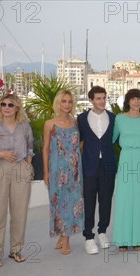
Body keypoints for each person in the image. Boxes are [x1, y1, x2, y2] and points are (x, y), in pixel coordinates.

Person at [0, 94, 34, 267]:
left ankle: (16, 250)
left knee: (20, 212)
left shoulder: (24, 127)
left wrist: (28, 164)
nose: (7, 107)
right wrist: (0, 154)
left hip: (20, 169)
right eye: (3, 104)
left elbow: (31, 146)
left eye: (11, 104)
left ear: (17, 108)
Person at [43, 90, 84, 255]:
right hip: (57, 170)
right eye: (64, 101)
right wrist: (45, 172)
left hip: (74, 170)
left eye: (69, 102)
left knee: (73, 202)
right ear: (58, 103)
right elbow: (45, 149)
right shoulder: (49, 123)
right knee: (59, 202)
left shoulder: (75, 123)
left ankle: (65, 238)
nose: (67, 105)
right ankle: (63, 234)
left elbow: (79, 144)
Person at [112, 89, 140, 252]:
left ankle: (138, 238)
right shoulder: (119, 119)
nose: (136, 102)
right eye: (133, 99)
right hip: (126, 159)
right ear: (127, 101)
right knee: (124, 199)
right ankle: (122, 239)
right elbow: (112, 139)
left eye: (139, 99)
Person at [77, 86, 117, 255]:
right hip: (89, 166)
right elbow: (77, 142)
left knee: (106, 200)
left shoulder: (114, 118)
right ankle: (89, 237)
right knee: (89, 202)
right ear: (91, 100)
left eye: (104, 98)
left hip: (108, 165)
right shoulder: (81, 119)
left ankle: (102, 232)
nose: (102, 101)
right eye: (98, 98)